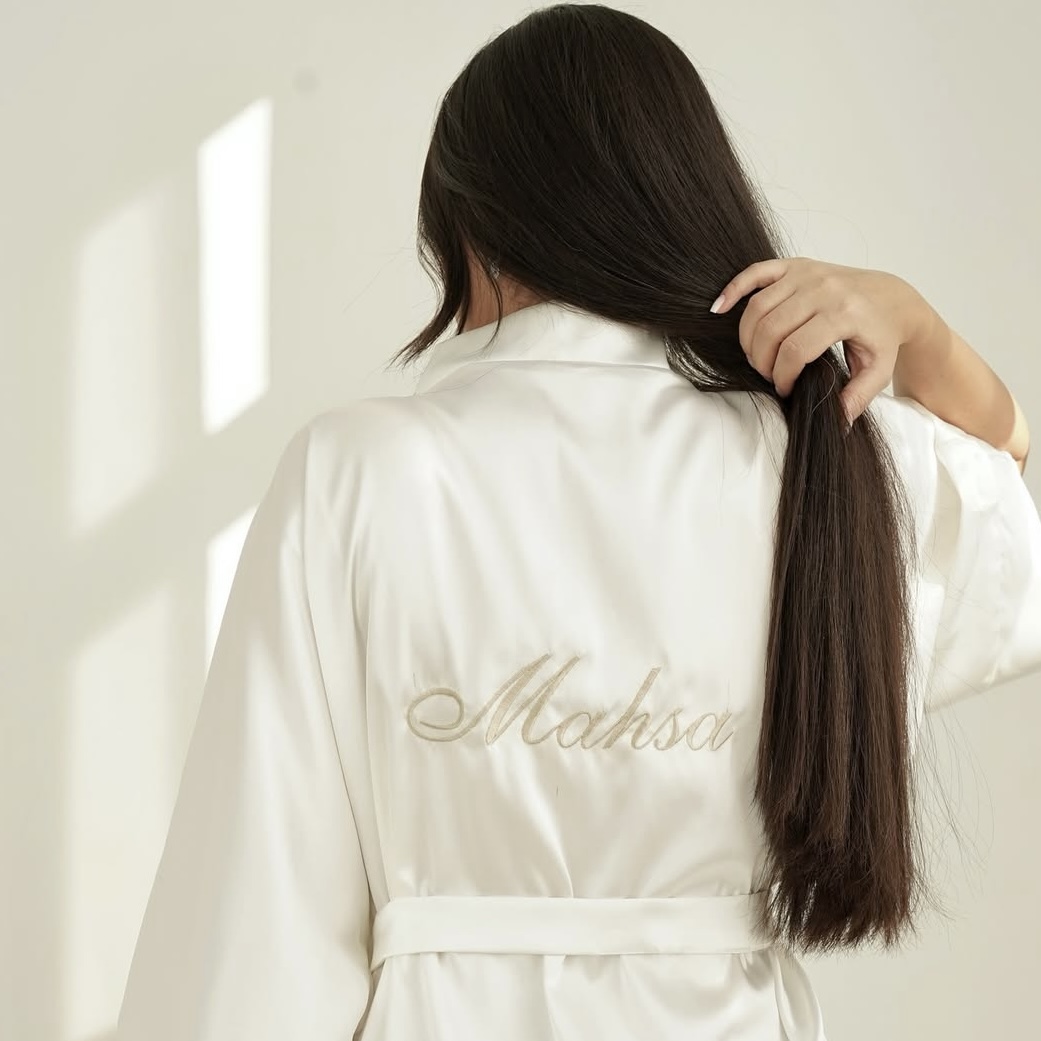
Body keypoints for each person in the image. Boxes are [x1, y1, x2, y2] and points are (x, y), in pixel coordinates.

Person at [115, 5, 1041, 1040]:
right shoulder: (833, 463)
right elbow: (1005, 500)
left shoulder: (360, 468)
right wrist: (920, 329)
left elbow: (260, 906)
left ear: (467, 230)